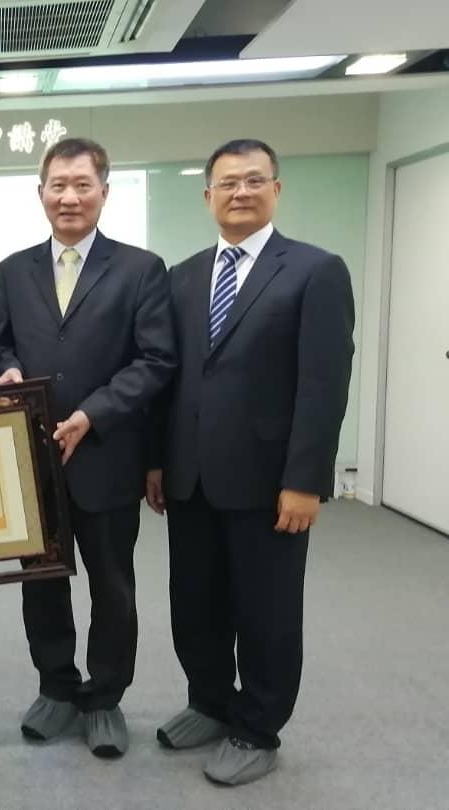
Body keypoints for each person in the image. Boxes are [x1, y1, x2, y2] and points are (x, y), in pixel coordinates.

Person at [146, 138, 355, 785]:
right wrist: (156, 461)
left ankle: (257, 727)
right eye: (228, 182)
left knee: (265, 611)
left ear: (276, 190)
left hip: (270, 485)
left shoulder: (315, 271)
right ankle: (209, 702)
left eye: (254, 180)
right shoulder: (181, 277)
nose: (241, 192)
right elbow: (169, 379)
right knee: (196, 602)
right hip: (191, 478)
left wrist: (305, 481)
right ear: (207, 195)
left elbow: (323, 384)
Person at [0, 137, 176, 756]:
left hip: (107, 456)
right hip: (32, 462)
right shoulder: (14, 269)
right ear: (39, 192)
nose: (68, 197)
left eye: (81, 185)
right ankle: (57, 687)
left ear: (104, 192)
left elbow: (155, 361)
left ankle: (105, 698)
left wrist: (93, 414)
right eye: (57, 185)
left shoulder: (140, 268)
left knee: (112, 585)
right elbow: (0, 342)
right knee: (41, 580)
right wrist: (8, 371)